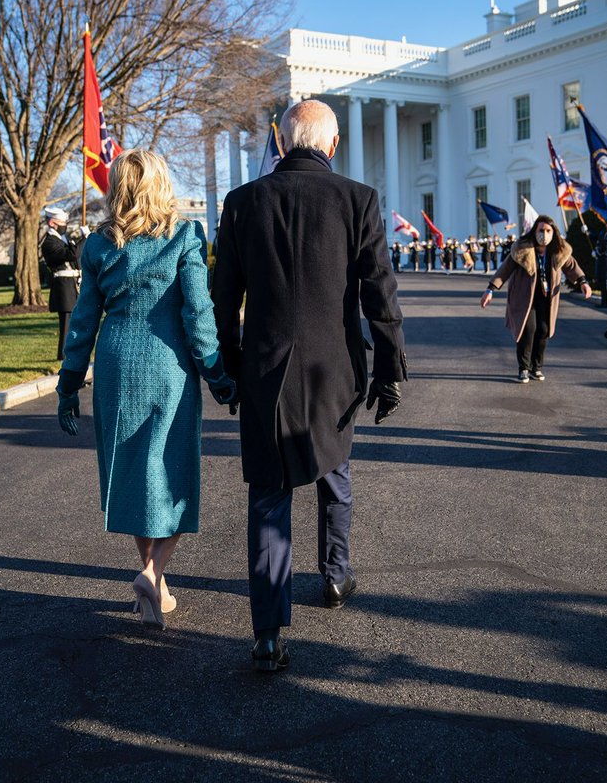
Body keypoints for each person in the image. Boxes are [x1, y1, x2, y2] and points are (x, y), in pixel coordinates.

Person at [212, 99, 407, 673]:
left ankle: (268, 633)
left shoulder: (243, 202)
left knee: (269, 499)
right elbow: (380, 293)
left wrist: (227, 368)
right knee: (335, 476)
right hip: (335, 371)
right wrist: (392, 368)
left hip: (265, 371)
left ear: (281, 143)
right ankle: (336, 574)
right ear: (332, 144)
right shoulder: (357, 199)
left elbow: (224, 299)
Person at [55, 149, 237, 630]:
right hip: (168, 364)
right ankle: (153, 573)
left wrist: (69, 386)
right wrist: (218, 376)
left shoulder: (96, 244)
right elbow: (199, 315)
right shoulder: (184, 235)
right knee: (174, 474)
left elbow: (82, 323)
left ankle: (156, 587)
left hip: (116, 362)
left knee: (133, 472)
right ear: (161, 184)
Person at [480, 215, 591, 383]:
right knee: (528, 329)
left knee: (544, 330)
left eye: (548, 231)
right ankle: (524, 368)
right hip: (525, 298)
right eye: (541, 230)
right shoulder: (521, 249)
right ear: (534, 231)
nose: (544, 235)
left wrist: (583, 282)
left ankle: (536, 367)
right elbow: (505, 270)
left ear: (553, 232)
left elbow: (572, 266)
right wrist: (490, 289)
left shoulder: (559, 250)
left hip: (547, 298)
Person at [40, 206, 80, 361]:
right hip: (63, 285)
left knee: (75, 322)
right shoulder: (49, 242)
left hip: (72, 284)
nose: (65, 225)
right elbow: (71, 255)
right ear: (52, 223)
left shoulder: (61, 239)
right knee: (66, 323)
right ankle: (63, 356)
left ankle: (72, 355)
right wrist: (84, 239)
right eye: (61, 222)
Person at [592, 228, 607, 308]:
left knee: (606, 280)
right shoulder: (603, 231)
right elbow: (596, 235)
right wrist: (587, 231)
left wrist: (597, 252)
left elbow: (606, 246)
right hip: (602, 258)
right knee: (602, 280)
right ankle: (604, 301)